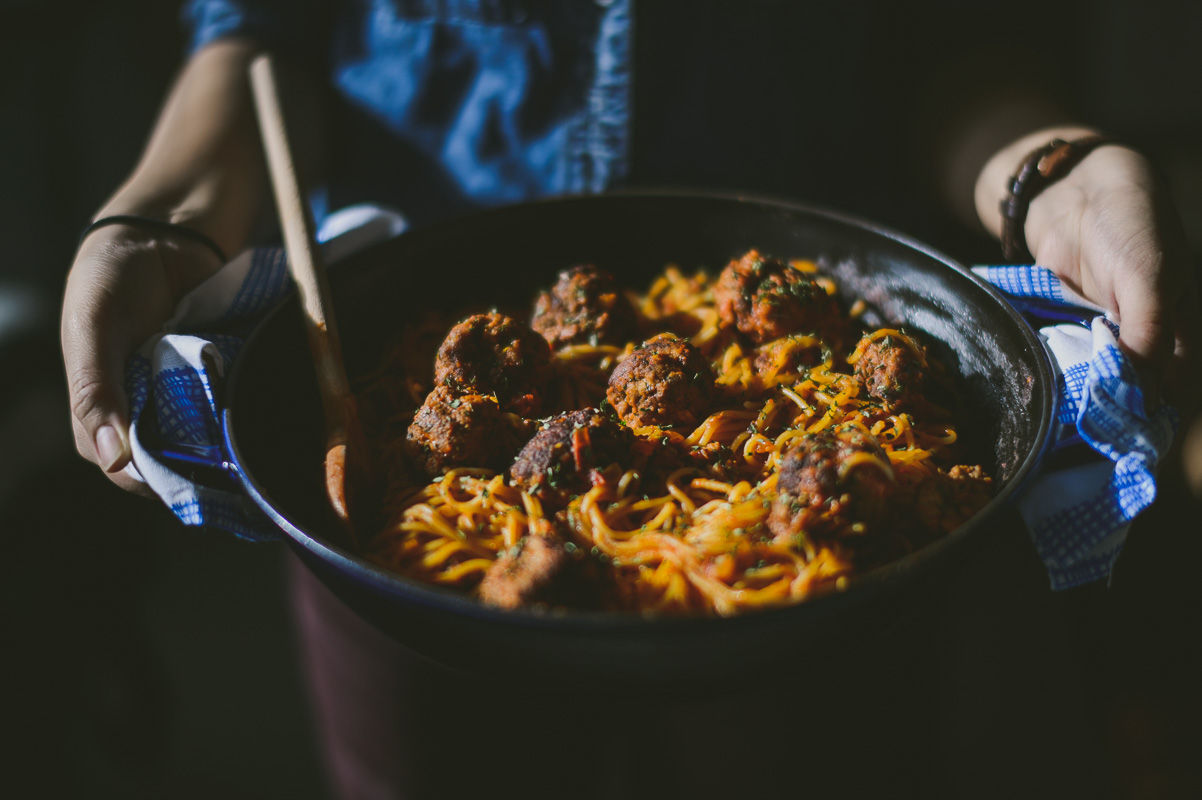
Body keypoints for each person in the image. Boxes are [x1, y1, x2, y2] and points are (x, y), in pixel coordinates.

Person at [59, 2, 1201, 797]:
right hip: (385, 487)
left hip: (818, 597)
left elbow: (944, 44)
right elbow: (256, 36)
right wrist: (162, 218)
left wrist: (1046, 174)